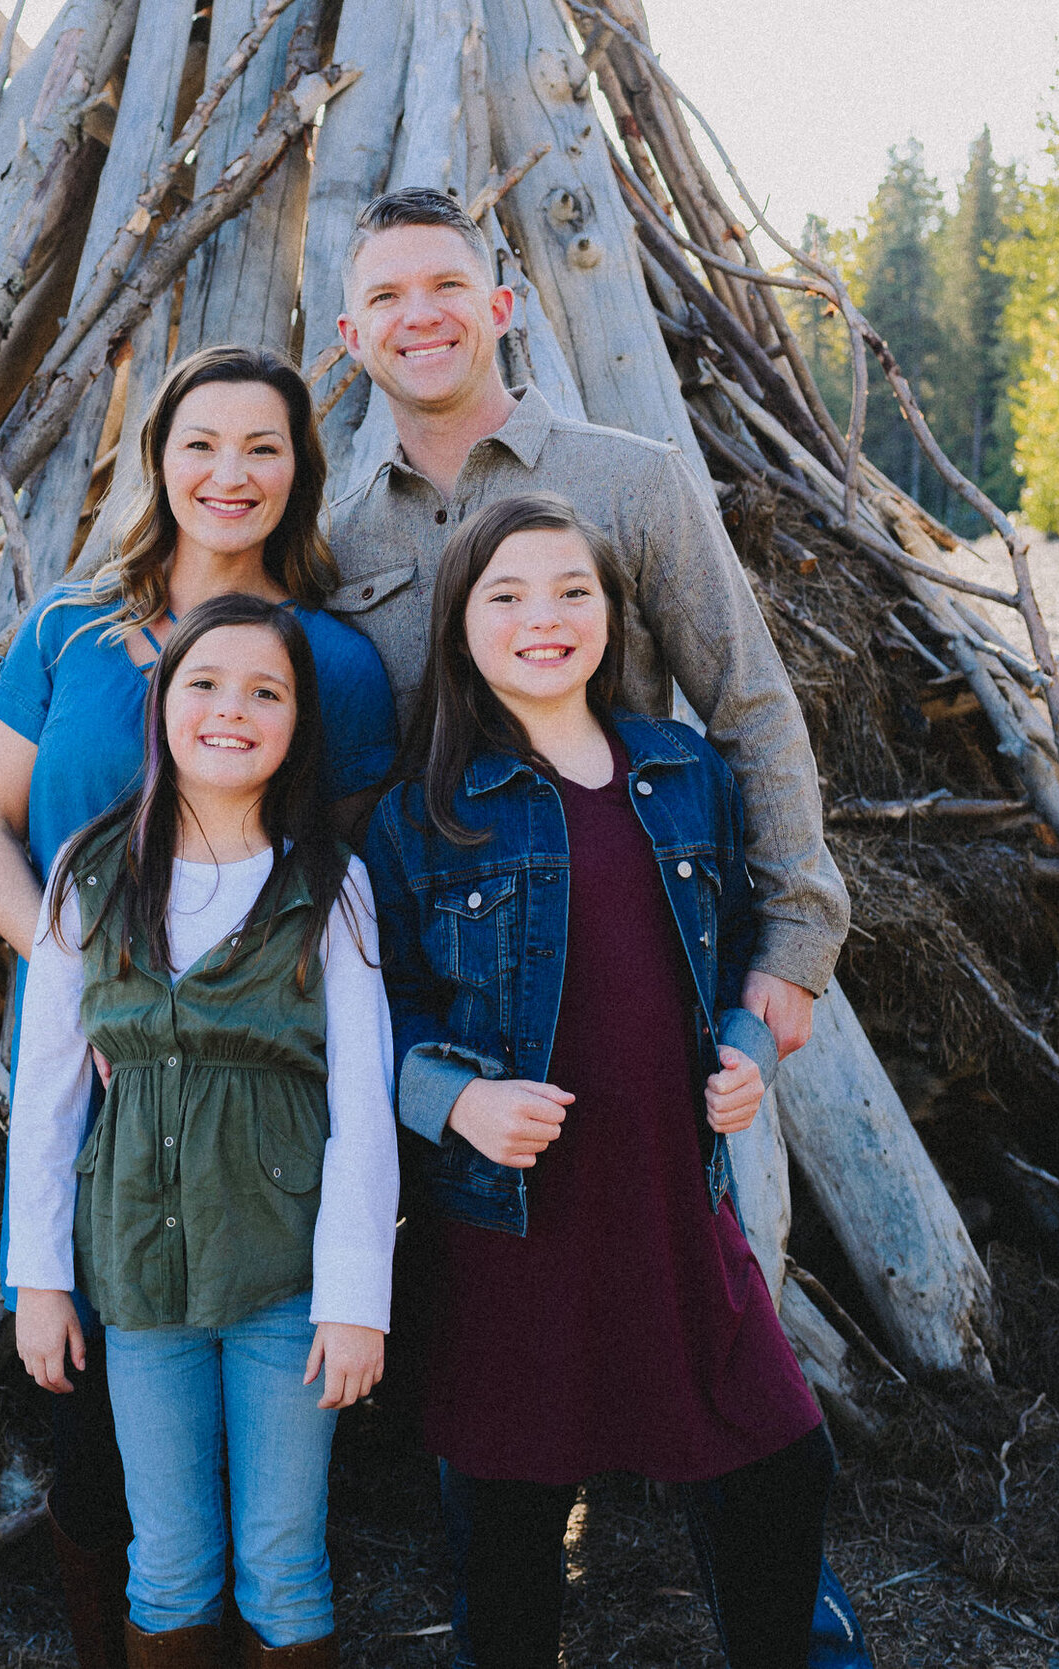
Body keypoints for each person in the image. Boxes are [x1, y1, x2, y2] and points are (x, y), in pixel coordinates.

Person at [0, 345, 397, 1668]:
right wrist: (91, 968)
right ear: (158, 458)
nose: (230, 473)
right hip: (93, 1074)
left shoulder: (329, 661)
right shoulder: (68, 631)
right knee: (108, 1445)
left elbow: (338, 875)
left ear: (300, 471)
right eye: (201, 442)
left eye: (264, 446)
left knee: (277, 1493)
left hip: (261, 1117)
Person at [361, 495, 844, 1669]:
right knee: (509, 1539)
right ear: (458, 627)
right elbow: (384, 1014)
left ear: (614, 616)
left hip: (675, 1203)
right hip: (509, 1232)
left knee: (781, 1465)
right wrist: (454, 1101)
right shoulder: (422, 815)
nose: (546, 618)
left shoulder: (682, 774)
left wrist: (741, 1044)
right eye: (507, 595)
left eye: (574, 590)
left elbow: (730, 953)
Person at [325, 184, 847, 1064]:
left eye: (447, 287)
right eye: (384, 297)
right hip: (441, 992)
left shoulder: (633, 482)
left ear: (499, 307)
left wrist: (797, 943)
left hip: (634, 955)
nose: (419, 317)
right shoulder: (342, 536)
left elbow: (749, 700)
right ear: (352, 338)